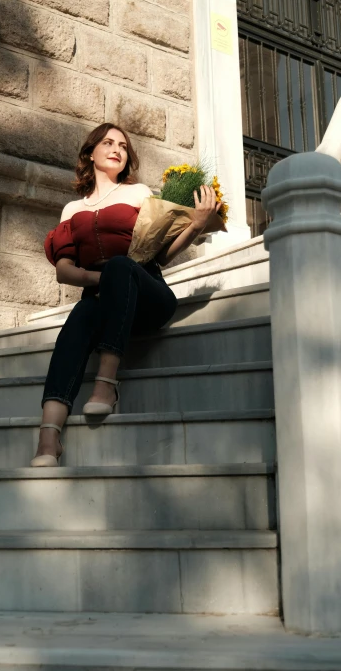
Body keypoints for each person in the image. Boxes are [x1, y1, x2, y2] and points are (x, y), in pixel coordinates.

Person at [31, 122, 222, 467]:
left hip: (147, 291)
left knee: (120, 266)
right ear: (90, 153)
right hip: (101, 297)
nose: (117, 148)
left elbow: (160, 254)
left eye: (123, 145)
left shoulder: (139, 194)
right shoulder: (72, 210)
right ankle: (48, 438)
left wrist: (196, 223)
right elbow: (64, 270)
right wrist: (100, 281)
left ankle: (106, 383)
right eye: (108, 142)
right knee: (78, 318)